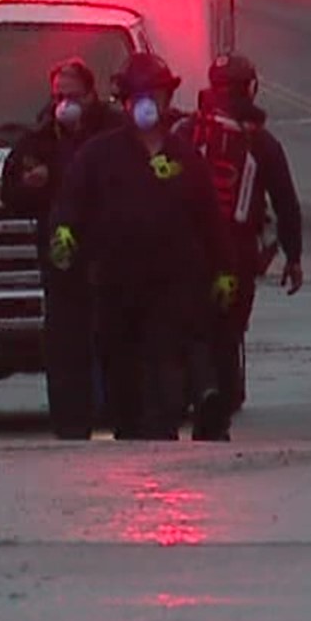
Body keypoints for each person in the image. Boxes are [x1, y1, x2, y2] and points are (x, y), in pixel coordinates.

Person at [50, 53, 238, 442]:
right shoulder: (98, 155)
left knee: (165, 359)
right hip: (117, 283)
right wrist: (65, 233)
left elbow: (209, 219)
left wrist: (223, 270)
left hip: (173, 284)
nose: (148, 104)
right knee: (121, 364)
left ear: (167, 101)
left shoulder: (185, 157)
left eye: (155, 95)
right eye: (139, 96)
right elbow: (71, 202)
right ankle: (131, 429)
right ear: (125, 102)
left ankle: (161, 429)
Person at [173, 54, 305, 414]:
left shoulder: (186, 133)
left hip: (189, 252)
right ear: (250, 88)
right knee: (228, 329)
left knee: (193, 325)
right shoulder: (261, 142)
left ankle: (199, 390)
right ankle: (224, 399)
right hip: (237, 253)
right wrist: (293, 258)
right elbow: (286, 204)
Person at [1, 58, 125, 439]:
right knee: (65, 343)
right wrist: (32, 185)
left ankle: (122, 414)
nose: (65, 104)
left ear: (91, 95)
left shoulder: (114, 136)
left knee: (115, 339)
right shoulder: (38, 141)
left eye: (72, 96)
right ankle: (70, 421)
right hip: (62, 262)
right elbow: (11, 194)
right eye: (58, 96)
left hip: (112, 259)